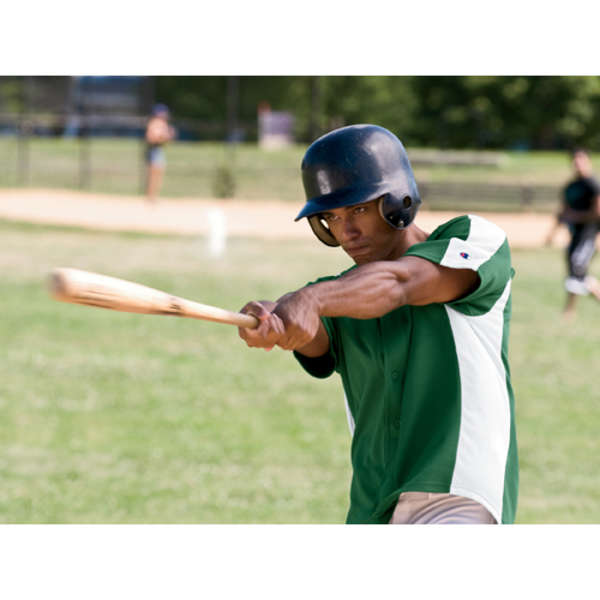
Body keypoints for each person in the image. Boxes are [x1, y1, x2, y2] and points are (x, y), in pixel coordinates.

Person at [238, 124, 519, 525]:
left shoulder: (474, 241)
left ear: (398, 200)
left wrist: (311, 300)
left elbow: (400, 283)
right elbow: (311, 334)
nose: (346, 232)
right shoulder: (340, 294)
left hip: (458, 498)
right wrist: (273, 318)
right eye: (331, 217)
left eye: (358, 210)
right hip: (373, 508)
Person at [546, 148, 600, 319]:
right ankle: (570, 310)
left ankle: (569, 311)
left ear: (588, 161)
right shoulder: (570, 187)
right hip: (575, 236)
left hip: (589, 235)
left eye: (581, 160)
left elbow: (597, 212)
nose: (578, 164)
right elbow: (564, 212)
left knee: (577, 269)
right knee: (576, 274)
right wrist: (552, 233)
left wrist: (575, 216)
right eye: (575, 160)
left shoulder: (593, 185)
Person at [144, 103, 176, 203]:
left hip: (159, 150)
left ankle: (154, 196)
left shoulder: (163, 123)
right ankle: (151, 196)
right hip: (154, 150)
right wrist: (163, 137)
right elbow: (151, 138)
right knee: (153, 174)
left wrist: (168, 136)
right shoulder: (155, 123)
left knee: (158, 174)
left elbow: (166, 139)